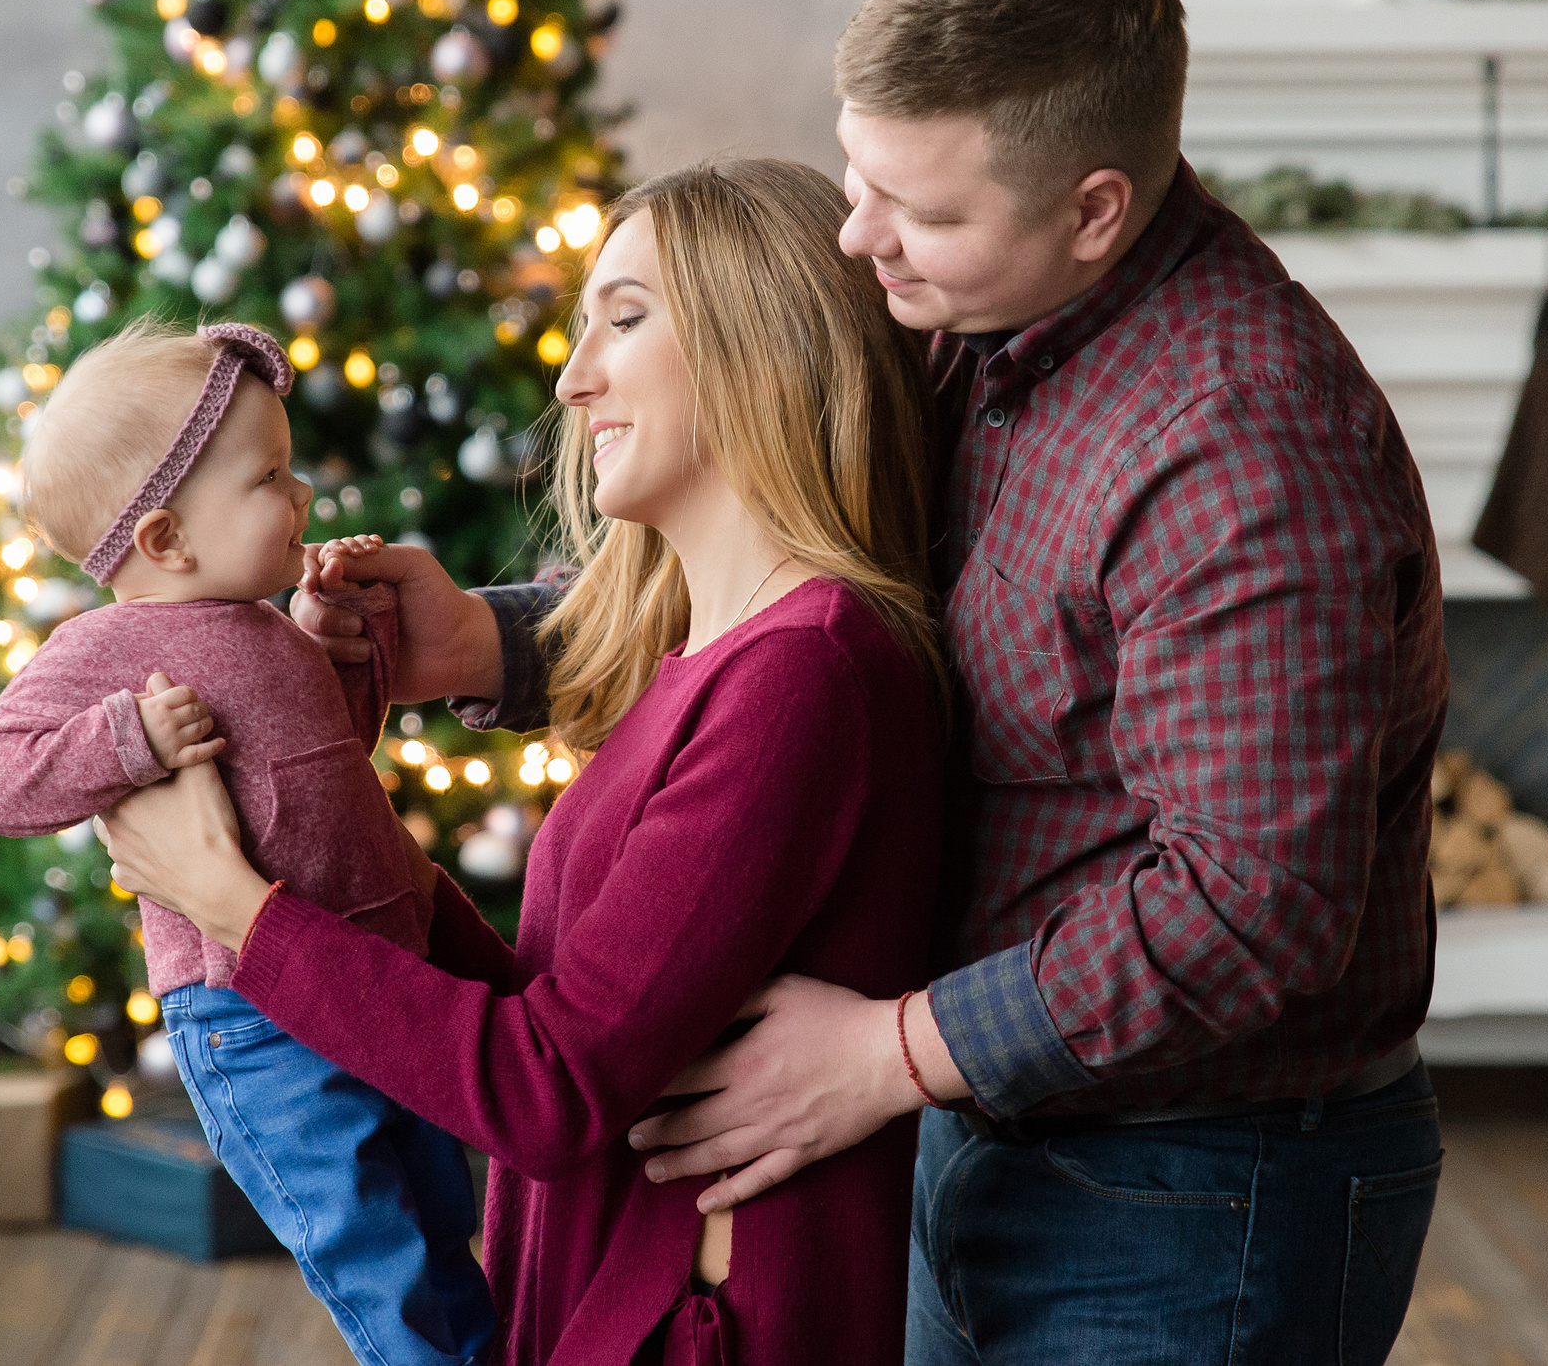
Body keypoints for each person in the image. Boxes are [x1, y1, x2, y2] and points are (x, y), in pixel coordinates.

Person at [298, 0, 1454, 1361]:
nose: (859, 238)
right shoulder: (973, 310)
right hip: (967, 1126)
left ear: (1095, 208)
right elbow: (789, 560)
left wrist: (889, 1050)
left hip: (1195, 1186)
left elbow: (1252, 904)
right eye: (859, 179)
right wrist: (488, 642)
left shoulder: (1242, 441)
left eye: (918, 209)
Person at [98, 158, 948, 1364]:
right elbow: (564, 1012)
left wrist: (236, 904)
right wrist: (342, 846)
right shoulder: (709, 653)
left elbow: (547, 1089)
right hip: (607, 1293)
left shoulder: (803, 674)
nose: (571, 374)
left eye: (625, 317)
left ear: (760, 344)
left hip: (695, 1325)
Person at [0, 318, 495, 1366]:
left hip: (377, 974)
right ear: (167, 539)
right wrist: (129, 738)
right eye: (270, 477)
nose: (304, 494)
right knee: (373, 1251)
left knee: (441, 1215)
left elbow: (327, 764)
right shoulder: (106, 645)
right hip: (255, 1017)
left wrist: (345, 651)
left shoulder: (268, 622)